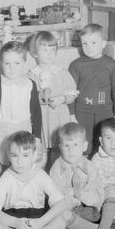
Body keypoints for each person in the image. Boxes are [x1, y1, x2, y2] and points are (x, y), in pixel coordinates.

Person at [0, 41, 43, 229]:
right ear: (0, 64)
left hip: (24, 132)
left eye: (16, 63)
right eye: (7, 64)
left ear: (24, 63)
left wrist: (37, 138)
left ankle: (30, 215)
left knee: (27, 175)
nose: (11, 68)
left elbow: (35, 113)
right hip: (1, 132)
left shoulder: (31, 84)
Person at [0, 131, 67, 229]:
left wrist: (41, 222)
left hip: (38, 220)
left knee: (61, 221)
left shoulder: (40, 174)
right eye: (15, 156)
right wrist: (16, 223)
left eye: (25, 155)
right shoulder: (5, 178)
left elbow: (61, 203)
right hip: (15, 221)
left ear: (34, 156)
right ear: (9, 156)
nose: (19, 161)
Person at [68, 24, 115, 153]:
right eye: (85, 43)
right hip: (82, 112)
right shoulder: (76, 65)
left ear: (103, 44)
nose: (89, 47)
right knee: (82, 146)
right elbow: (70, 92)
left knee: (102, 146)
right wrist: (71, 114)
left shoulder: (110, 63)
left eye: (93, 42)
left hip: (105, 113)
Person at [29, 31, 78, 169]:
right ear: (35, 53)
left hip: (59, 119)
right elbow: (28, 98)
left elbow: (72, 93)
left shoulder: (62, 72)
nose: (49, 53)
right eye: (44, 50)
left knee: (59, 155)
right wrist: (40, 97)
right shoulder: (32, 75)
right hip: (41, 120)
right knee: (40, 157)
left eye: (52, 49)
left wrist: (61, 99)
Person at [49, 123, 104, 229]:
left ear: (84, 146)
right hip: (68, 208)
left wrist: (80, 194)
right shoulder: (56, 168)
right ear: (60, 147)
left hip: (87, 207)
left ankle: (76, 226)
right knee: (60, 214)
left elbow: (97, 193)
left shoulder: (90, 166)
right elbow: (54, 195)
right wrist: (70, 199)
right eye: (66, 146)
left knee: (99, 210)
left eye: (75, 145)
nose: (71, 150)